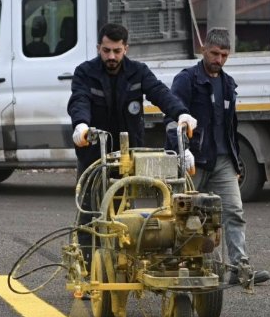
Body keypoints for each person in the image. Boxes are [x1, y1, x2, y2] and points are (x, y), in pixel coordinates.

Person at [67, 23, 197, 268]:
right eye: (106, 51)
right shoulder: (85, 72)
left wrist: (181, 113)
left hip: (129, 156)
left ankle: (121, 263)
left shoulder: (138, 72)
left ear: (126, 48)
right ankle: (87, 269)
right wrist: (81, 125)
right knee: (90, 214)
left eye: (117, 51)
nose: (111, 57)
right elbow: (79, 99)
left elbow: (160, 93)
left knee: (125, 213)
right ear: (98, 48)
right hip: (95, 155)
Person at [165, 28, 270, 286]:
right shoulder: (186, 80)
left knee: (234, 212)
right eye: (215, 53)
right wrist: (183, 151)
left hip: (223, 161)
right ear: (204, 50)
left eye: (224, 55)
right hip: (194, 162)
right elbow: (172, 120)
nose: (219, 60)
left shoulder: (227, 84)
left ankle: (239, 268)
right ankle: (175, 265)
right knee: (183, 216)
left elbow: (229, 128)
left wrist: (235, 162)